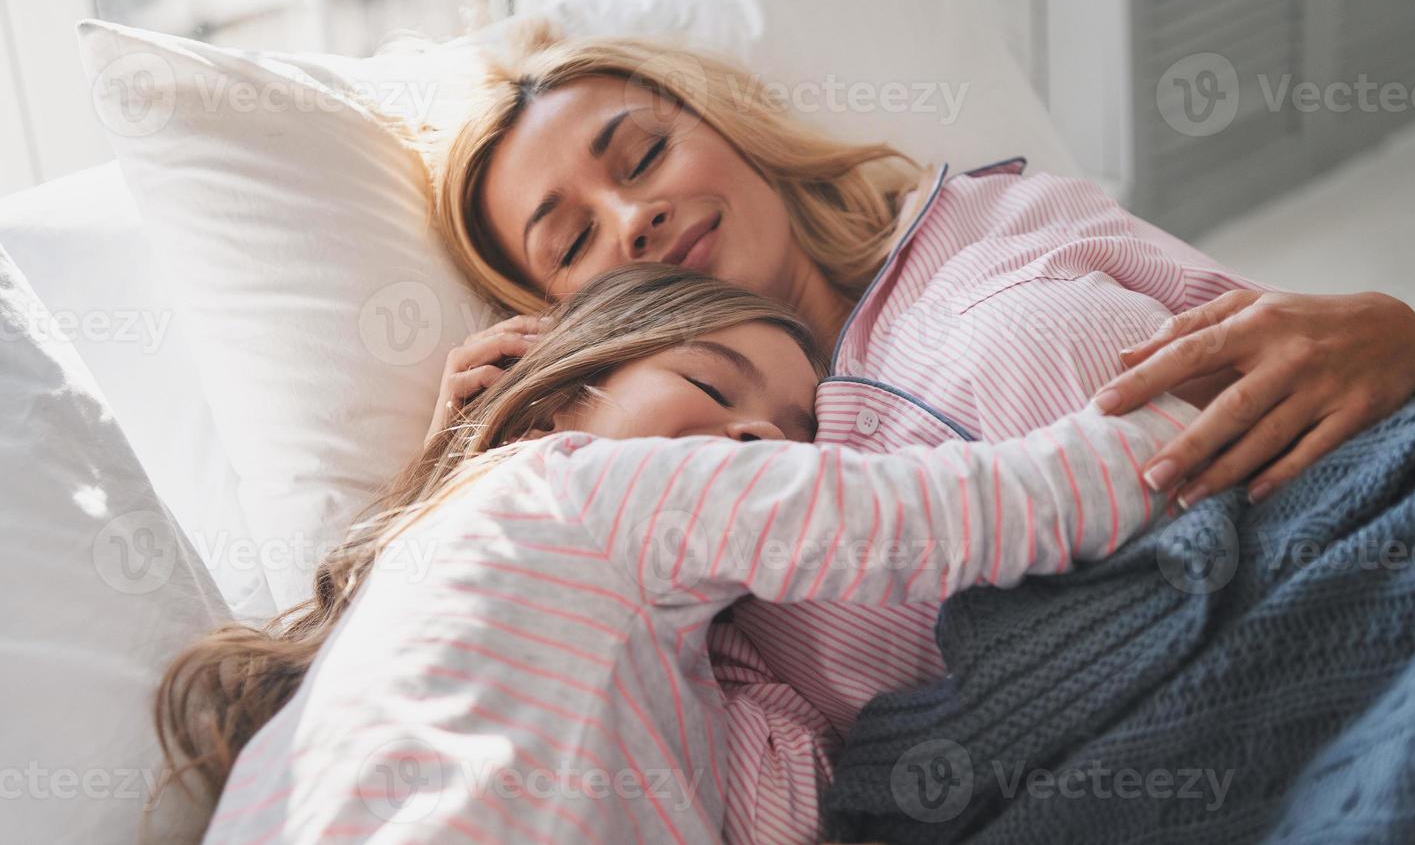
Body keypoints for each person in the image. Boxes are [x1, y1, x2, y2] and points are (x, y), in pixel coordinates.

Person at [413, 20, 1415, 837]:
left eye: (640, 155)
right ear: (562, 319)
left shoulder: (1000, 217)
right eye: (573, 237)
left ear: (726, 130)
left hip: (1388, 525)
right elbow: (779, 805)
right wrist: (479, 473)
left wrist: (1414, 340)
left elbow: (1303, 353)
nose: (629, 214)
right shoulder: (699, 536)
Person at [159, 265, 1195, 843]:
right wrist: (1177, 435)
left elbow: (782, 809)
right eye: (713, 383)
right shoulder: (567, 481)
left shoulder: (630, 646)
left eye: (799, 433)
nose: (760, 439)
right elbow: (939, 515)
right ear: (563, 395)